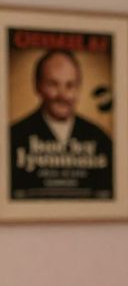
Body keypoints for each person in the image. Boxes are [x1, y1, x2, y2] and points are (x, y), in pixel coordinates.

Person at [9, 49, 113, 198]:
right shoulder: (13, 138)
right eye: (53, 84)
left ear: (79, 89)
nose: (62, 94)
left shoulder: (101, 140)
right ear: (38, 86)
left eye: (70, 85)